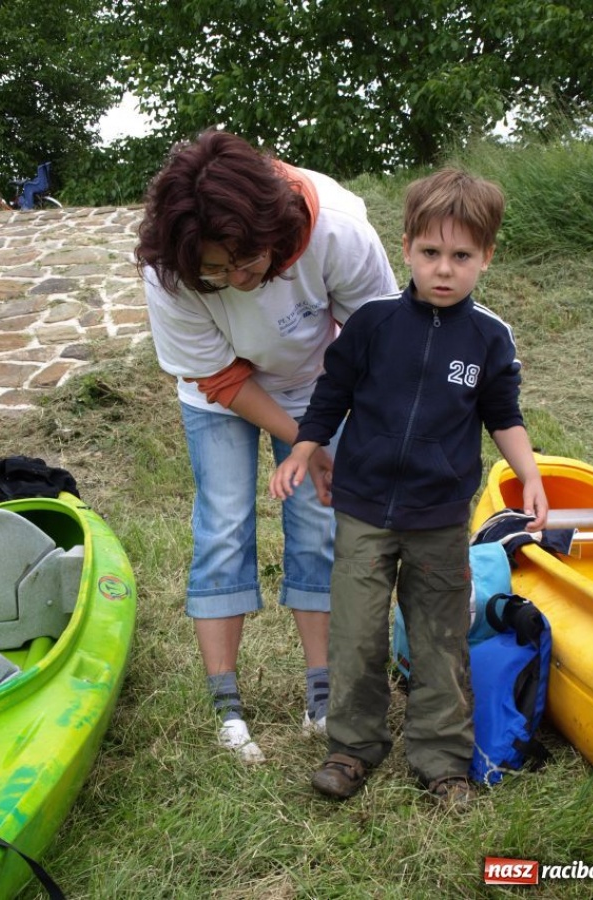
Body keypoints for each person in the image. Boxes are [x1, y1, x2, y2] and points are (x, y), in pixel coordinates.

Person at [269, 167, 548, 803]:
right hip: (365, 511)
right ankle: (352, 746)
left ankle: (442, 757)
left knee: (440, 636)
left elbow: (503, 415)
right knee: (358, 632)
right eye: (430, 253)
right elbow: (331, 395)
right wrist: (303, 449)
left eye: (461, 256)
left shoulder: (490, 339)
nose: (443, 269)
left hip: (441, 518)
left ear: (487, 256)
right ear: (406, 248)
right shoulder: (372, 324)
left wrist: (528, 475)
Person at [135, 128, 398, 763]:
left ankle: (322, 695)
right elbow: (221, 376)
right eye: (214, 273)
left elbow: (375, 337)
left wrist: (328, 438)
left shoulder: (336, 229)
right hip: (218, 392)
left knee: (317, 520)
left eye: (243, 263)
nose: (232, 279)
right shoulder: (169, 269)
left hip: (317, 381)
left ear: (272, 231)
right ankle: (227, 707)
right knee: (224, 520)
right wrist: (302, 442)